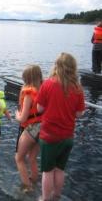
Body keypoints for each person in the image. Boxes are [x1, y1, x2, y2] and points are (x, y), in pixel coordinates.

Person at [37, 53, 85, 201]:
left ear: (56, 66)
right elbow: (79, 114)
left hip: (49, 137)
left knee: (47, 171)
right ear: (73, 68)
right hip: (67, 138)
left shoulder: (47, 84)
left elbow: (39, 109)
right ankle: (56, 196)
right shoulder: (78, 88)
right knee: (60, 170)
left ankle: (45, 198)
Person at [15, 64, 43, 193]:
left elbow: (23, 118)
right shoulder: (42, 90)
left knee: (19, 158)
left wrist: (17, 116)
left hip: (31, 129)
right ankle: (34, 180)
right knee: (32, 158)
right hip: (42, 128)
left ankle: (27, 188)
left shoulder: (28, 93)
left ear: (26, 78)